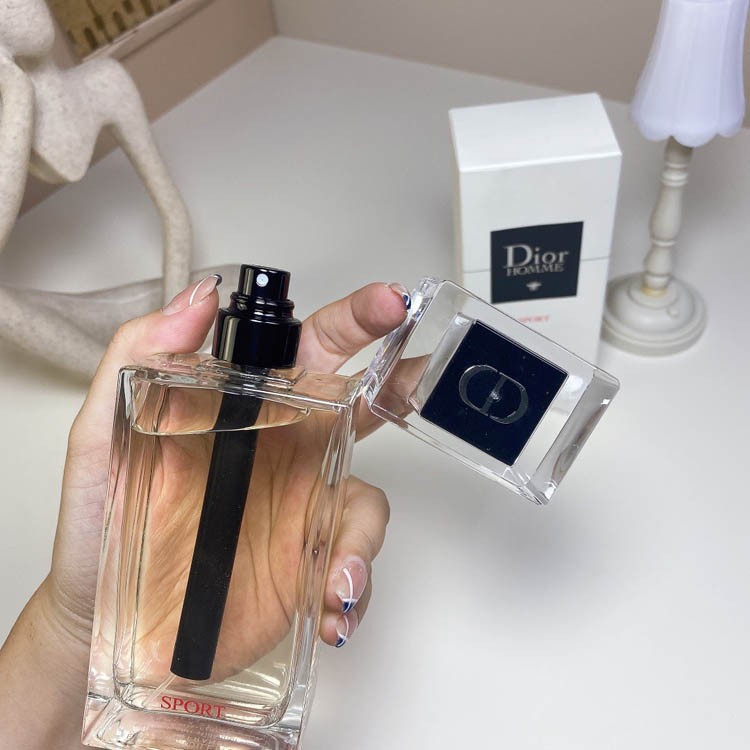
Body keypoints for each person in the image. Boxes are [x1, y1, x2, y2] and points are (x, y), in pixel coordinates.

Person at [0, 275, 408, 748]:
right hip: (119, 685)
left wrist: (72, 635)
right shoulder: (159, 385)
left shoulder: (319, 405)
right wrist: (75, 629)